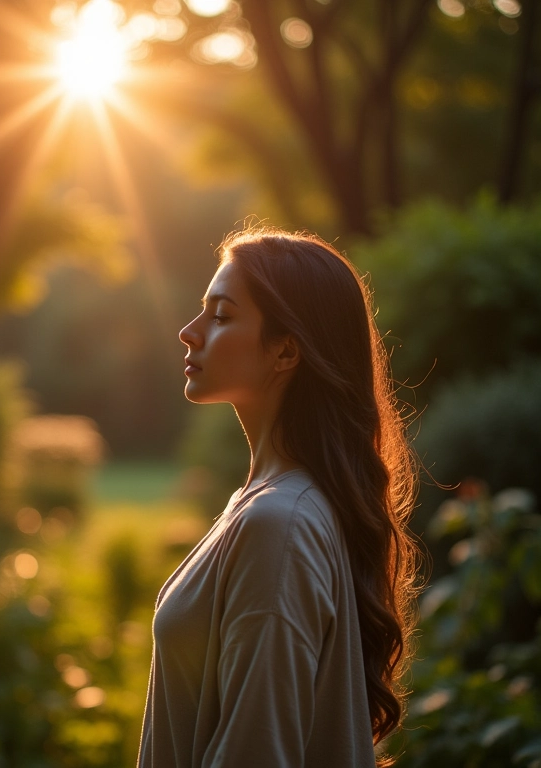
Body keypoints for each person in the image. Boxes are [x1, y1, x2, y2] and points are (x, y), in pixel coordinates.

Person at [137, 227, 419, 768]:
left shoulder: (279, 522)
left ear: (286, 350)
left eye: (221, 315)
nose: (188, 332)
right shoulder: (268, 505)